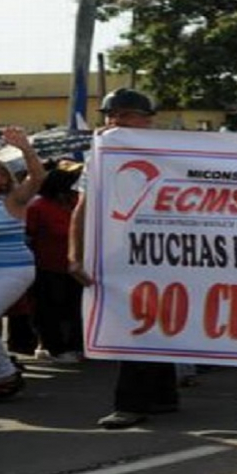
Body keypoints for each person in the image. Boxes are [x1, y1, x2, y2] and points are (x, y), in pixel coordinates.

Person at [67, 88, 181, 429]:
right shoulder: (99, 155)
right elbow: (82, 206)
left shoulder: (175, 152)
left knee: (148, 322)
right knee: (135, 322)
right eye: (110, 115)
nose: (115, 121)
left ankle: (139, 402)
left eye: (126, 114)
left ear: (148, 120)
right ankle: (157, 397)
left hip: (168, 252)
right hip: (120, 254)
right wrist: (75, 254)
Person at [0, 127, 45, 399]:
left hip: (13, 270)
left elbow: (38, 177)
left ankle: (5, 375)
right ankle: (4, 370)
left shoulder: (13, 201)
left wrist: (26, 149)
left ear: (4, 179)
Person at [26, 161, 84, 362]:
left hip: (75, 268)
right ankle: (55, 348)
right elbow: (28, 237)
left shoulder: (77, 202)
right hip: (47, 268)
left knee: (75, 308)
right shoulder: (38, 207)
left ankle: (75, 346)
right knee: (49, 310)